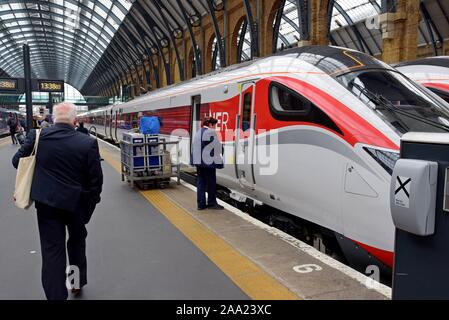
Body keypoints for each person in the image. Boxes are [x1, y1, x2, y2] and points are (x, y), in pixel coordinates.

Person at [12, 102, 103, 300]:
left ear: (53, 118)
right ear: (75, 120)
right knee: (77, 243)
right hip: (77, 205)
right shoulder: (87, 143)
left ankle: (56, 297)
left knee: (52, 251)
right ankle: (76, 284)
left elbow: (16, 162)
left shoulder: (37, 137)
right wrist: (90, 204)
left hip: (47, 205)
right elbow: (96, 181)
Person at [191, 117, 224, 211]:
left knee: (201, 182)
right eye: (215, 125)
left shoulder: (199, 132)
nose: (215, 127)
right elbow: (218, 147)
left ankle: (201, 204)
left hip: (198, 162)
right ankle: (211, 203)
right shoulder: (210, 133)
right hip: (208, 163)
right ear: (210, 124)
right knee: (211, 183)